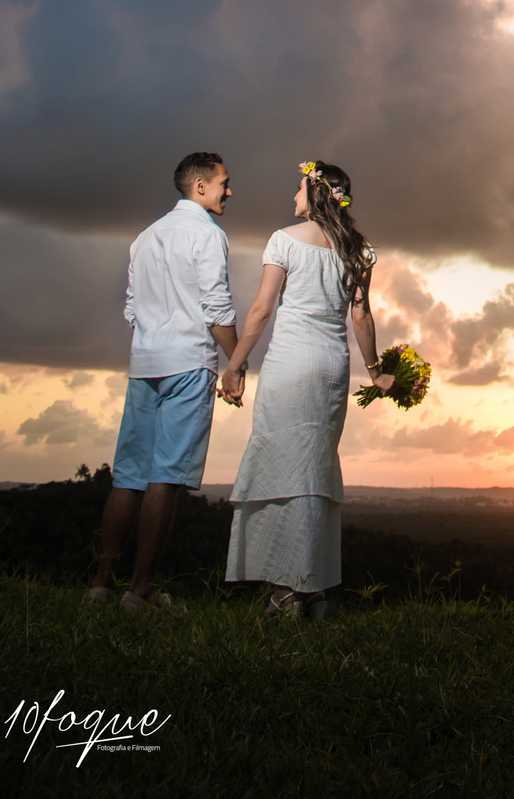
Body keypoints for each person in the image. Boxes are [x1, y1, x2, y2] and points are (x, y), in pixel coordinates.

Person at [220, 159, 391, 619]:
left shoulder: (283, 240)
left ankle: (286, 590)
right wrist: (375, 373)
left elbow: (259, 312)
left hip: (290, 365)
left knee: (282, 466)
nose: (294, 196)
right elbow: (361, 316)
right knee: (314, 469)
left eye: (299, 188)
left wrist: (235, 367)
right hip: (331, 368)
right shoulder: (359, 250)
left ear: (316, 194)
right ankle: (310, 588)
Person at [88, 152, 239, 611]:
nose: (228, 191)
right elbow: (216, 306)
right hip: (189, 364)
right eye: (223, 183)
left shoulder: (145, 237)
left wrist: (153, 335)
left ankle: (100, 585)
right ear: (199, 187)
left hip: (145, 362)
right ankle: (141, 590)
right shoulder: (208, 236)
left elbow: (131, 306)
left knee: (128, 477)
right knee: (166, 478)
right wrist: (237, 362)